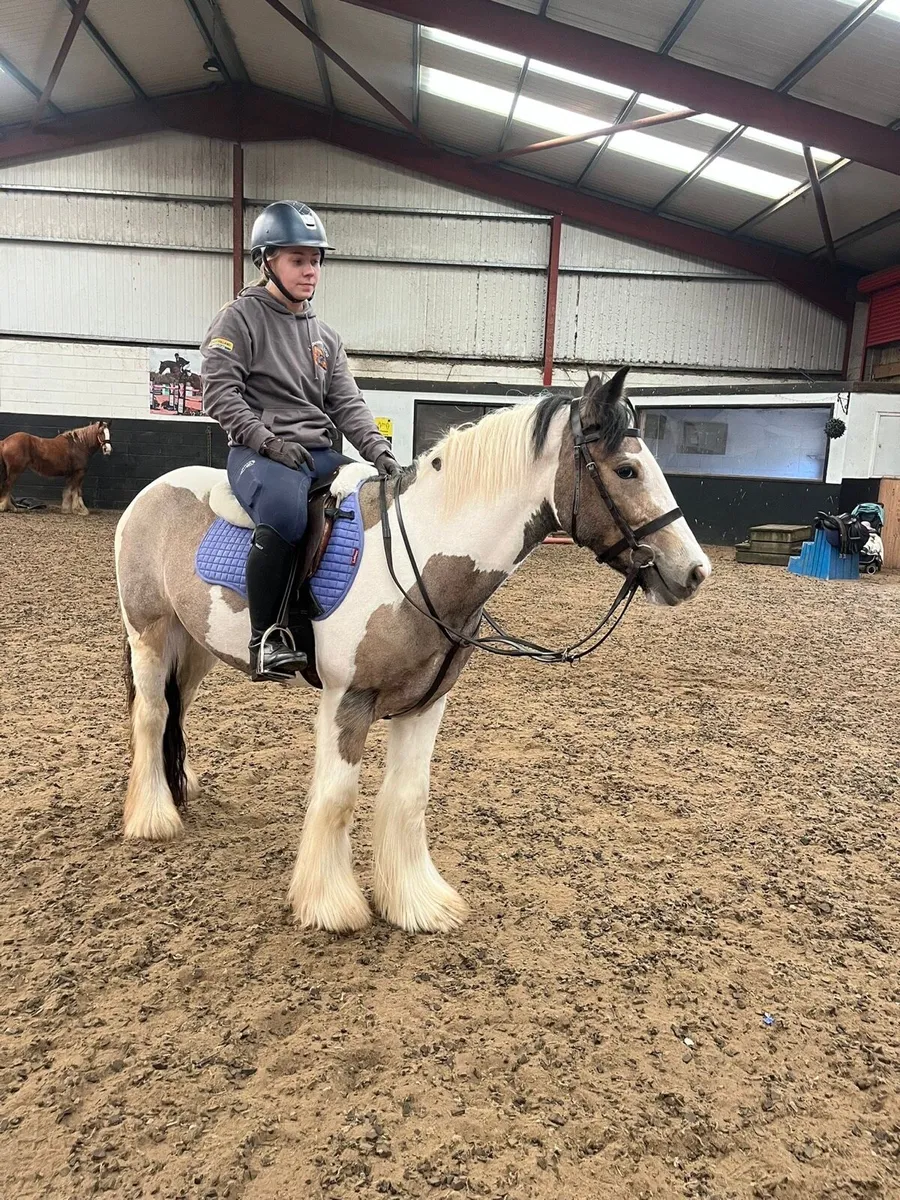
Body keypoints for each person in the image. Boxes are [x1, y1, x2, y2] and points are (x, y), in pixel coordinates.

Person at [201, 200, 400, 682]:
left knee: (372, 502)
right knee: (289, 513)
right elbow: (219, 394)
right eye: (297, 260)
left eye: (315, 260)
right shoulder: (239, 319)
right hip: (257, 453)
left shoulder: (325, 337)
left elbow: (348, 404)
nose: (310, 270)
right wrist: (266, 442)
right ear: (266, 260)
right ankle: (265, 638)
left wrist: (381, 454)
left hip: (315, 451)